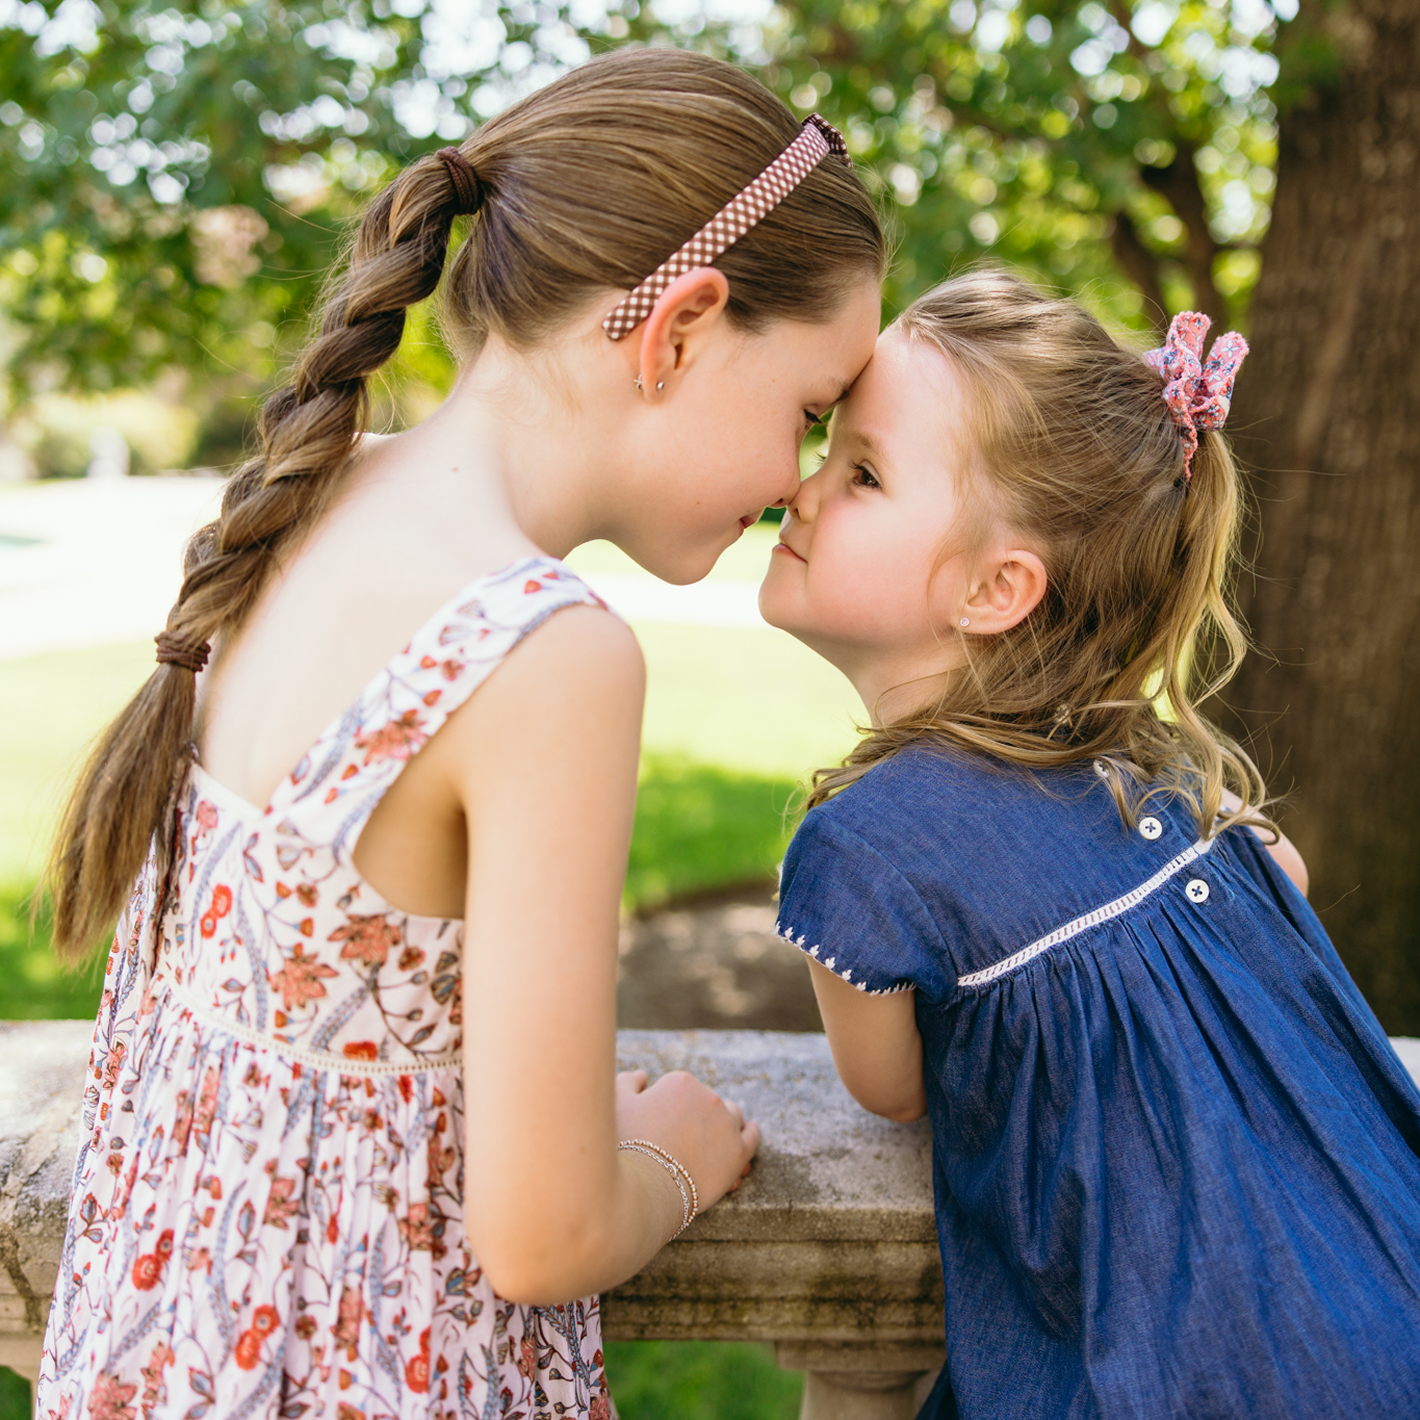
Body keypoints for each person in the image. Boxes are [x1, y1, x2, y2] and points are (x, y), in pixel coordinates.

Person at [37, 47, 884, 1420]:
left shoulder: (312, 495)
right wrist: (669, 1155)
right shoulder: (544, 650)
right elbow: (543, 1234)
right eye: (808, 411)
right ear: (679, 329)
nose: (799, 481)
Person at [759, 270, 1420, 1418]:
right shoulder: (1151, 773)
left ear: (996, 588)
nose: (801, 489)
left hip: (1182, 1380)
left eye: (861, 472)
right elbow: (1285, 871)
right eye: (826, 450)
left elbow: (894, 1086)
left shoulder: (864, 845)